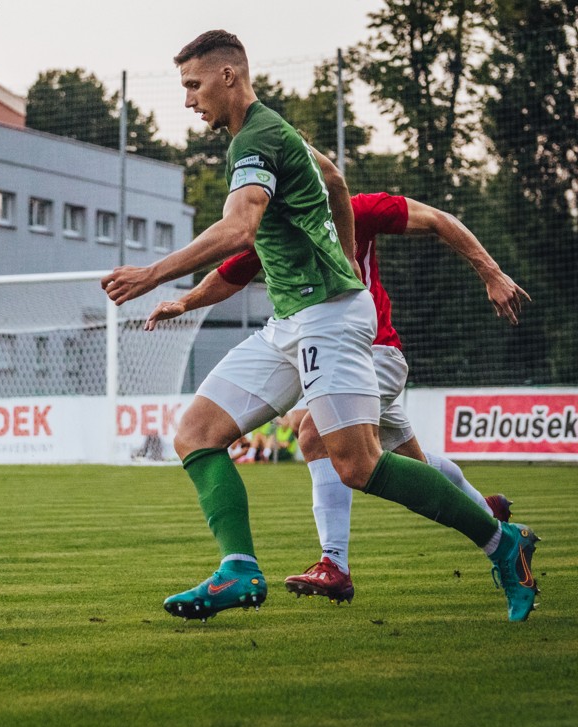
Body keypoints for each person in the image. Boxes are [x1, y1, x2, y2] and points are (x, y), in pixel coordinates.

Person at [101, 30, 539, 622]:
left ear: (229, 76)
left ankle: (500, 543)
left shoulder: (254, 139)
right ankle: (238, 571)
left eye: (193, 85)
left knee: (356, 465)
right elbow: (332, 179)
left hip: (329, 318)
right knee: (196, 434)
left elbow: (238, 231)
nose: (188, 100)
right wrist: (342, 247)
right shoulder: (278, 135)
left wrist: (155, 274)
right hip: (295, 319)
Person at [147, 190, 526, 602]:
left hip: (374, 350)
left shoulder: (356, 207)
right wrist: (183, 301)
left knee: (315, 436)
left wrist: (491, 272)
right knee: (411, 463)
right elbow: (230, 273)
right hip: (324, 349)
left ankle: (335, 565)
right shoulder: (273, 222)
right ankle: (487, 514)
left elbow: (437, 218)